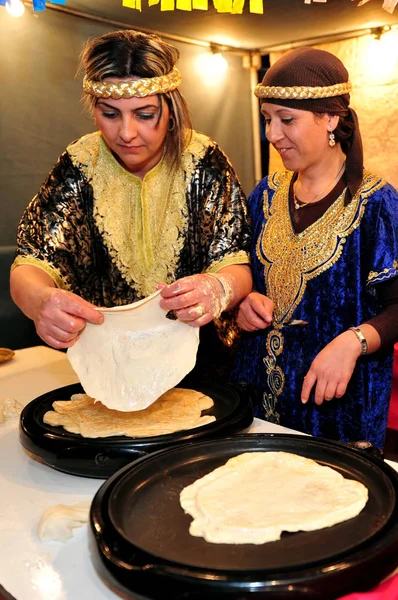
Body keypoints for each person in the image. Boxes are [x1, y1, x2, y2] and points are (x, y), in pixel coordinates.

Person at [10, 30, 252, 376]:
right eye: (110, 114)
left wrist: (219, 288)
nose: (126, 133)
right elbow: (31, 263)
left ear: (171, 108)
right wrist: (39, 302)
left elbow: (236, 262)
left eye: (144, 114)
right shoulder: (80, 163)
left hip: (206, 369)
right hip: (107, 369)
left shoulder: (203, 160)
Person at [232, 47, 398, 448]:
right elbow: (244, 275)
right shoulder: (265, 195)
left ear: (331, 117)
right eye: (268, 120)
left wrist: (354, 341)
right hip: (258, 402)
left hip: (339, 412)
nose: (272, 135)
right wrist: (245, 302)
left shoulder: (377, 204)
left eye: (287, 120)